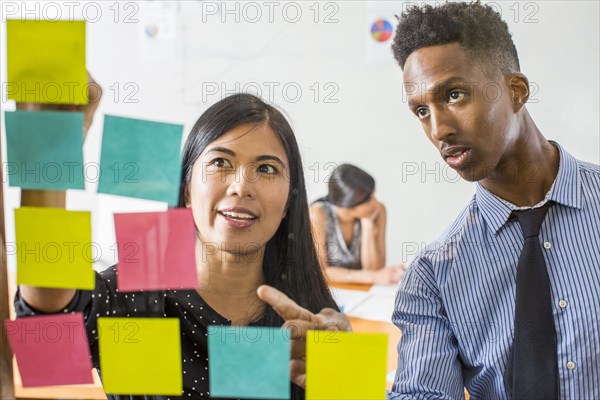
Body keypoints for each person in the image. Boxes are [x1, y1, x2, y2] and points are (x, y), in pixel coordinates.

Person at [261, 2, 599, 398]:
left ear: (516, 90)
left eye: (454, 95)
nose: (438, 129)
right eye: (421, 110)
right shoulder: (432, 277)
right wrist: (344, 371)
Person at [15, 93, 339, 400]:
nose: (242, 186)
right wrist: (48, 145)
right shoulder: (138, 296)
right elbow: (46, 327)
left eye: (266, 169)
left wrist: (342, 374)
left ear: (287, 203)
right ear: (185, 191)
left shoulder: (306, 314)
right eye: (220, 163)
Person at [310, 164, 404, 284]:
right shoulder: (317, 214)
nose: (375, 203)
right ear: (348, 205)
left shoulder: (378, 211)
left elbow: (375, 269)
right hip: (331, 289)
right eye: (368, 200)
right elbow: (321, 272)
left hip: (361, 290)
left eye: (374, 195)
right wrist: (373, 277)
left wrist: (368, 224)